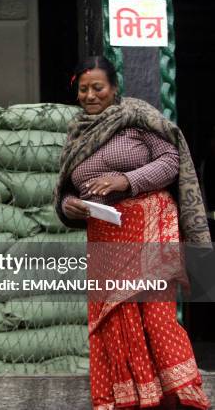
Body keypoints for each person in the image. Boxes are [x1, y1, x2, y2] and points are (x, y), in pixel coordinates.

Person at [54, 56, 211, 409]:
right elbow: (64, 190)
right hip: (106, 234)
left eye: (98, 88)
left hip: (150, 227)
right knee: (117, 323)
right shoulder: (77, 133)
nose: (90, 96)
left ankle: (185, 400)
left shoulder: (137, 119)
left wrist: (126, 180)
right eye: (83, 89)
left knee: (155, 317)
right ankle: (134, 400)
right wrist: (71, 206)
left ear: (114, 88)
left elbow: (171, 162)